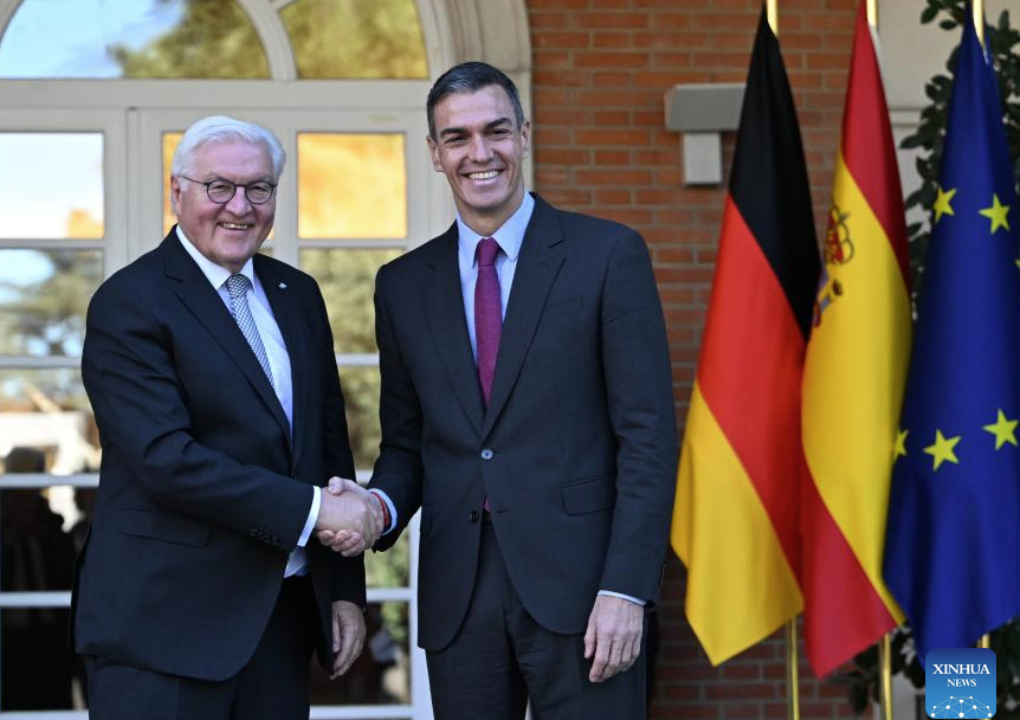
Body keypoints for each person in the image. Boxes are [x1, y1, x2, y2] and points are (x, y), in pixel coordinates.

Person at [322, 62, 677, 719]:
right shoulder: (402, 285)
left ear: (525, 135)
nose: (479, 153)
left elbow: (648, 441)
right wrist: (377, 506)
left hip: (584, 595)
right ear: (434, 153)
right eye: (456, 138)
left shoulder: (607, 256)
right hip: (461, 598)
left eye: (496, 132)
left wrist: (626, 588)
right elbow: (408, 446)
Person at [72, 115, 383, 720]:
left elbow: (327, 446)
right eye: (219, 187)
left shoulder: (298, 293)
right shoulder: (129, 303)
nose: (239, 206)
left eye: (259, 188)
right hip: (164, 632)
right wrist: (319, 513)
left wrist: (343, 592)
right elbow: (168, 461)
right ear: (177, 192)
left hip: (280, 620)